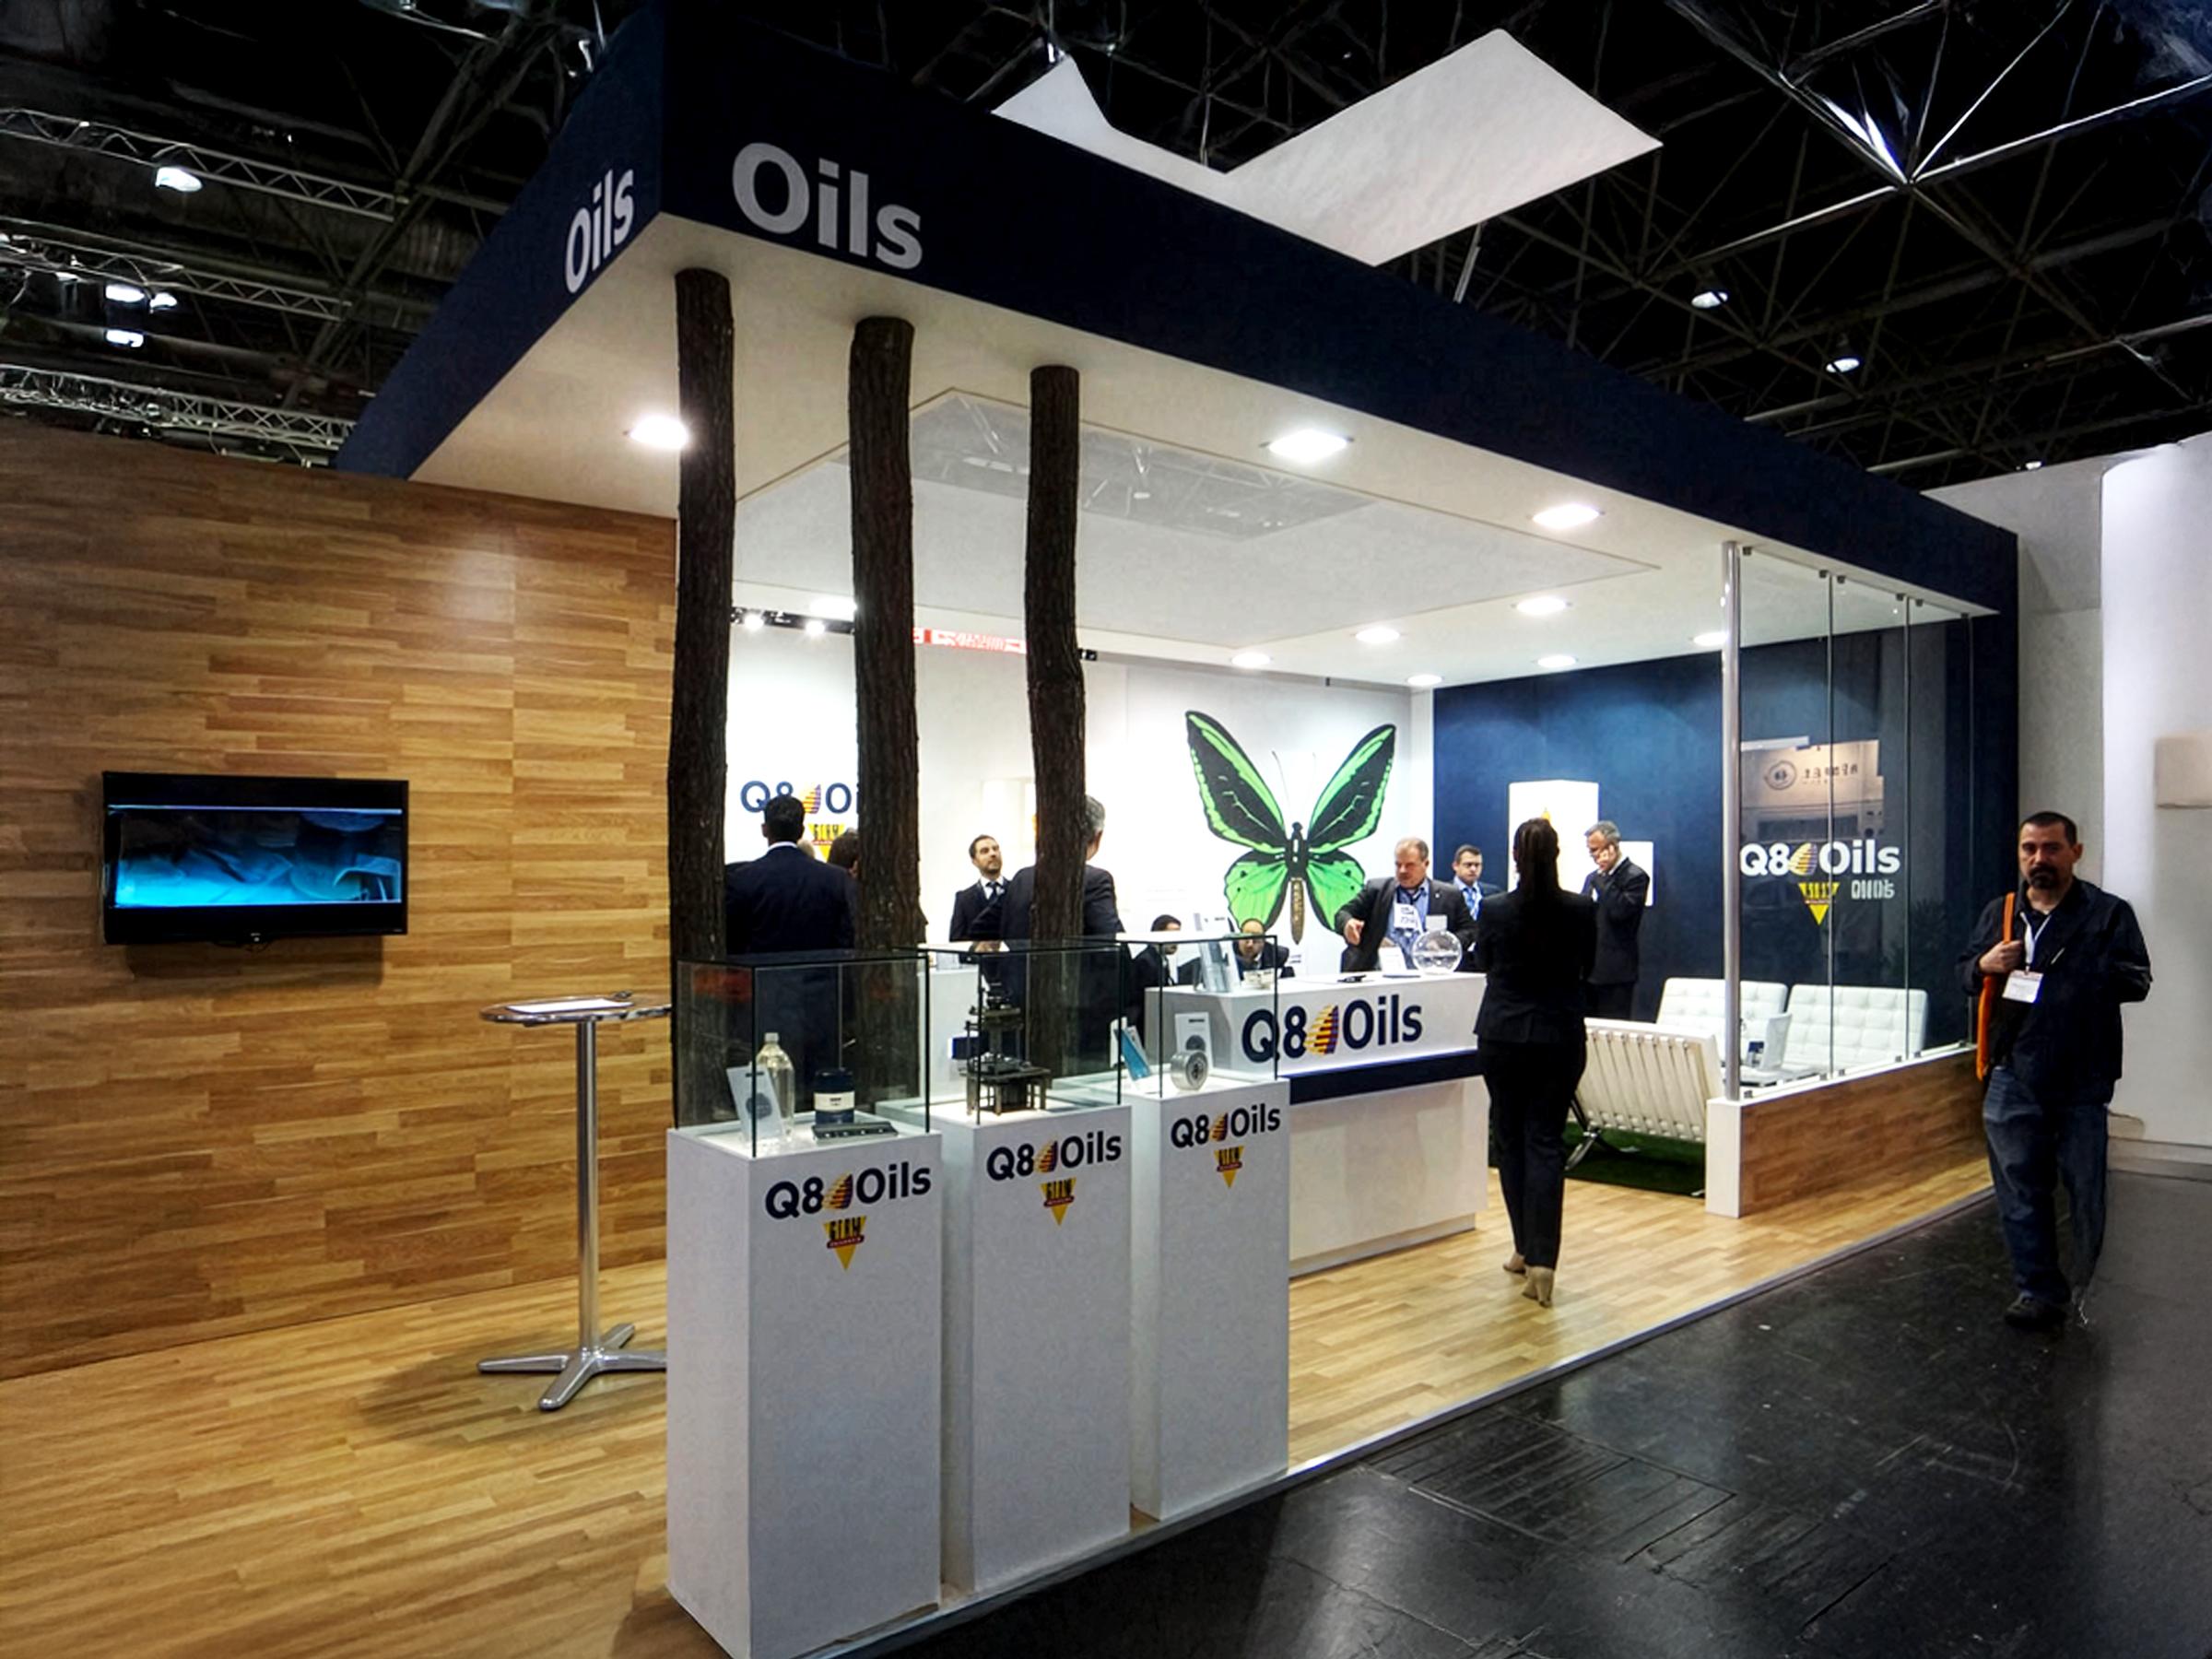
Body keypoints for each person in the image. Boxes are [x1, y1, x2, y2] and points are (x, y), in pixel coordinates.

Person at [1960, 811, 2151, 1330]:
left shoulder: (2108, 913)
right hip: (2011, 1075)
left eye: (2050, 848)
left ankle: (2088, 1287)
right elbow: (1964, 972)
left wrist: (2073, 973)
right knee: (2019, 1191)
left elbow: (2136, 980)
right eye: (2029, 849)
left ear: (2075, 852)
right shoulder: (2001, 913)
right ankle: (2038, 1291)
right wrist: (1984, 965)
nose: (2038, 859)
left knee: (2085, 1191)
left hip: (2082, 1078)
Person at [1474, 818, 1597, 1310]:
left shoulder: (1494, 909)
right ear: (1558, 854)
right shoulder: (1580, 908)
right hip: (1560, 1033)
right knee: (1545, 1140)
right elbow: (1588, 966)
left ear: (1514, 857)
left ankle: (1524, 1246)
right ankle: (1543, 1260)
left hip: (1503, 1033)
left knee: (1509, 1138)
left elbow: (1483, 962)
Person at [973, 796, 1127, 1069]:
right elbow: (1112, 945)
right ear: (1097, 837)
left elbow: (978, 931)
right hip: (1077, 1015)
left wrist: (1003, 976)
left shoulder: (1022, 879)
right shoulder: (1095, 880)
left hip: (1021, 1008)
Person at [723, 793, 858, 955]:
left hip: (761, 970)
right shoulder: (836, 879)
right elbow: (845, 940)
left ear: (765, 830)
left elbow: (733, 941)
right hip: (820, 969)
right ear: (801, 831)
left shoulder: (742, 879)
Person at [1332, 837, 1476, 973]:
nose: (1402, 870)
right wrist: (1347, 924)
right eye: (1398, 864)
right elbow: (1343, 914)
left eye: (1409, 865)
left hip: (1430, 974)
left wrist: (1446, 943)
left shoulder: (1449, 895)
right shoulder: (1376, 890)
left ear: (1426, 864)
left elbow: (1470, 929)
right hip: (1380, 974)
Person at [1580, 820, 1649, 1018]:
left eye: (1595, 850)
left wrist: (1604, 879)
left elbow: (1619, 912)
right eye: (1590, 851)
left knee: (1613, 1027)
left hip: (1616, 973)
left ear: (1612, 847)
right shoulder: (1593, 878)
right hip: (1589, 971)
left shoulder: (1635, 877)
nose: (1593, 855)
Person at [1127, 913, 1199, 1037]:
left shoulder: (1159, 960)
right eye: (1172, 936)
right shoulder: (1146, 962)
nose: (1176, 942)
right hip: (1147, 1026)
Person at [947, 833, 1006, 942]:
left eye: (995, 849)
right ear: (974, 861)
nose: (993, 854)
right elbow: (956, 940)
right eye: (985, 851)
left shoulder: (1017, 890)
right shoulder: (964, 899)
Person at [1450, 844, 1501, 920]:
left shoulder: (1494, 893)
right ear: (1455, 866)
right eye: (1468, 865)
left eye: (1477, 865)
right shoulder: (1444, 894)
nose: (1473, 869)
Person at [1233, 916, 1292, 980]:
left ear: (1263, 941)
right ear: (1239, 939)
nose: (1250, 944)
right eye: (1246, 939)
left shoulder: (1278, 955)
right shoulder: (1229, 954)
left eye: (1255, 940)